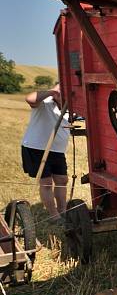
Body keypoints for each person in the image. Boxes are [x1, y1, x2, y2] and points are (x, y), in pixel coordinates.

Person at [22, 83, 69, 217]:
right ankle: (54, 215)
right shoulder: (45, 102)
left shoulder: (72, 106)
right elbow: (30, 99)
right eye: (60, 91)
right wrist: (52, 91)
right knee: (46, 182)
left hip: (58, 150)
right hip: (36, 148)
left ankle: (63, 212)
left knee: (62, 180)